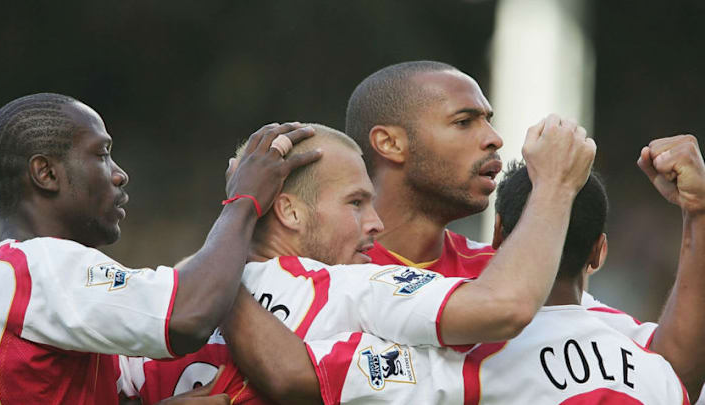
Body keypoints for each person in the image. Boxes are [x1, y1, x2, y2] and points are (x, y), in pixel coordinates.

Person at [121, 118, 595, 404]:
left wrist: (214, 263)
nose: (375, 223)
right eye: (355, 203)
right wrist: (555, 182)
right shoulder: (359, 287)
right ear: (288, 210)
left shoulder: (157, 299)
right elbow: (506, 306)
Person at [345, 60, 705, 398]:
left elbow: (668, 373)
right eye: (464, 122)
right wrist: (554, 184)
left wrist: (699, 212)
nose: (494, 138)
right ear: (390, 143)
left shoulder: (508, 272)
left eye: (489, 120)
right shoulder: (321, 270)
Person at [0, 92, 321, 404]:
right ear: (45, 173)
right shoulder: (37, 267)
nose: (119, 175)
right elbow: (187, 318)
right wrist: (243, 200)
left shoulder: (12, 280)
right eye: (102, 154)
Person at [305, 157, 694, 404]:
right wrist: (698, 211)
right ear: (599, 252)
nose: (488, 138)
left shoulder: (465, 359)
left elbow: (294, 373)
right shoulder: (657, 373)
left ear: (497, 237)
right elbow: (683, 358)